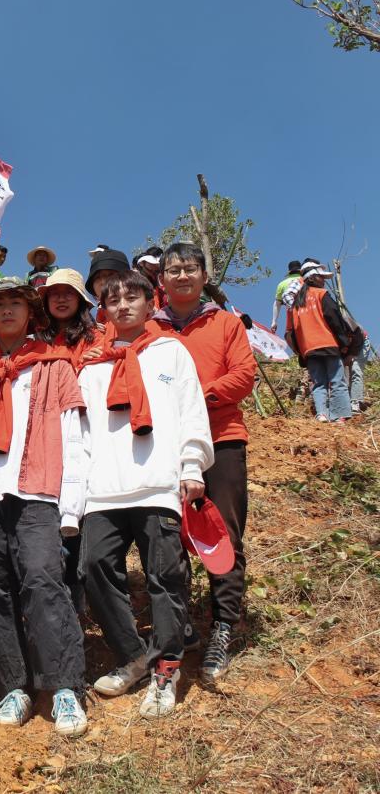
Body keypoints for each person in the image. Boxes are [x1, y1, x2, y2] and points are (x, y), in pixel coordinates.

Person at [0, 278, 89, 735]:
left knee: (43, 582)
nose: (6, 311)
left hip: (37, 493)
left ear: (31, 314)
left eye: (15, 304)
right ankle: (13, 687)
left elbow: (73, 437)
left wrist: (71, 504)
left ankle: (65, 687)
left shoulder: (55, 367)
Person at [79, 270, 213, 719]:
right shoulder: (92, 366)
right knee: (94, 566)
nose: (122, 306)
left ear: (150, 302)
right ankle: (135, 655)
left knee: (165, 578)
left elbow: (191, 410)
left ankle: (167, 669)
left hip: (158, 483)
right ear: (103, 310)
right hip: (103, 489)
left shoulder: (170, 351)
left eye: (131, 297)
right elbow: (81, 432)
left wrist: (191, 465)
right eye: (112, 300)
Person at [153, 242, 256, 683]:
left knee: (223, 533)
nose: (182, 276)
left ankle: (224, 626)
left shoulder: (225, 322)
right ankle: (181, 624)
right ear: (161, 279)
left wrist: (196, 398)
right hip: (164, 444)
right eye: (173, 269)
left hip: (222, 438)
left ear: (203, 275)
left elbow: (243, 375)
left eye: (190, 268)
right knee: (168, 535)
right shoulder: (150, 328)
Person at [35, 268, 103, 612]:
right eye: (54, 294)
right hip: (46, 434)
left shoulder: (97, 337)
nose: (61, 299)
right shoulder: (37, 339)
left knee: (81, 512)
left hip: (87, 431)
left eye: (68, 293)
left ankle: (79, 594)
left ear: (80, 300)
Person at [285, 260, 353, 424]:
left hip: (309, 350)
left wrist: (301, 353)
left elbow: (294, 331)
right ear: (312, 278)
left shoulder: (296, 304)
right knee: (337, 381)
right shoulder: (321, 294)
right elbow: (334, 319)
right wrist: (344, 342)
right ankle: (339, 416)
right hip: (328, 344)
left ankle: (322, 414)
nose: (323, 280)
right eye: (321, 277)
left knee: (318, 383)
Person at [85, 248, 130, 325]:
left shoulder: (147, 324)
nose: (103, 282)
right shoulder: (95, 329)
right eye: (97, 277)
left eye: (110, 275)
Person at [270, 260, 302, 334]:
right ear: (301, 270)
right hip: (309, 316)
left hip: (292, 321)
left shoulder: (282, 284)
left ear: (289, 271)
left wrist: (274, 321)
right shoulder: (306, 281)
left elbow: (277, 304)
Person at [132, 246, 166, 310]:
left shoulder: (156, 282)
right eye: (149, 270)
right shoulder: (133, 278)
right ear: (142, 264)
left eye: (156, 271)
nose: (152, 273)